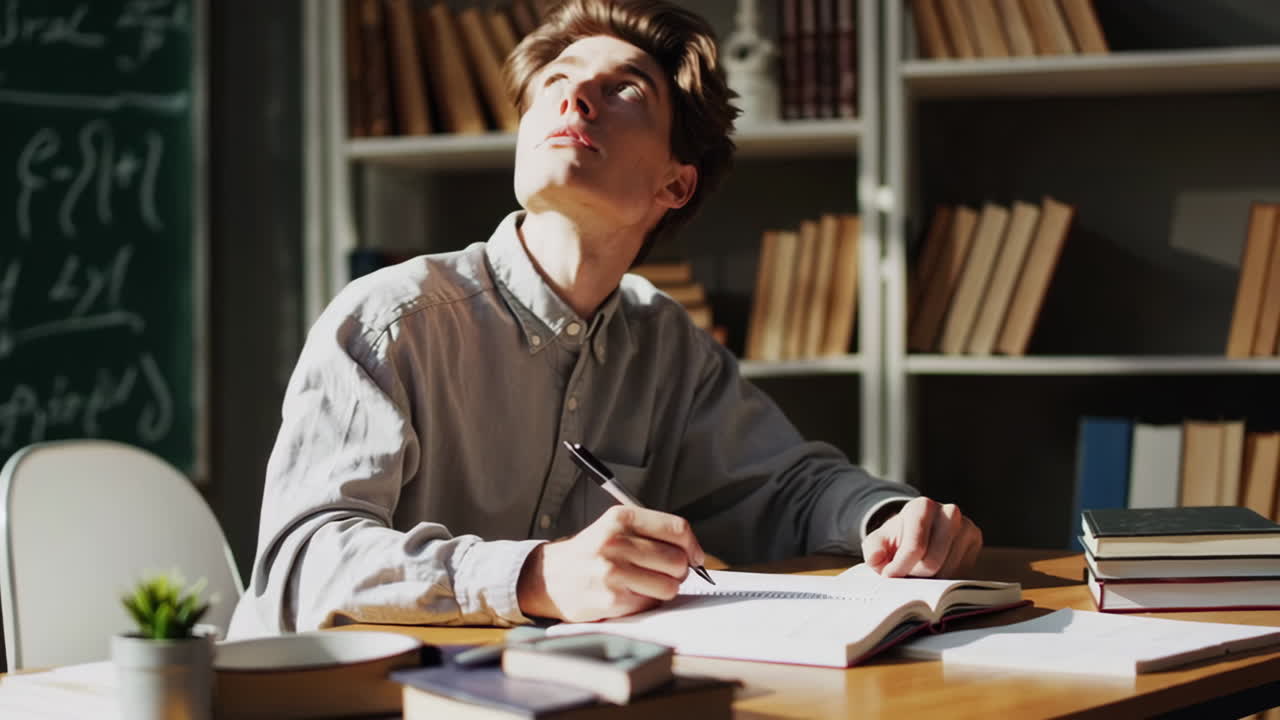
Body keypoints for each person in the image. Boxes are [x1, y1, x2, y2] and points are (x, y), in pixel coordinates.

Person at [228, 0, 981, 638]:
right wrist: (533, 574)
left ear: (675, 184)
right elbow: (302, 565)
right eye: (556, 81)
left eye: (624, 91)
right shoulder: (393, 319)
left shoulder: (664, 343)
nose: (574, 99)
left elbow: (788, 488)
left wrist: (885, 516)